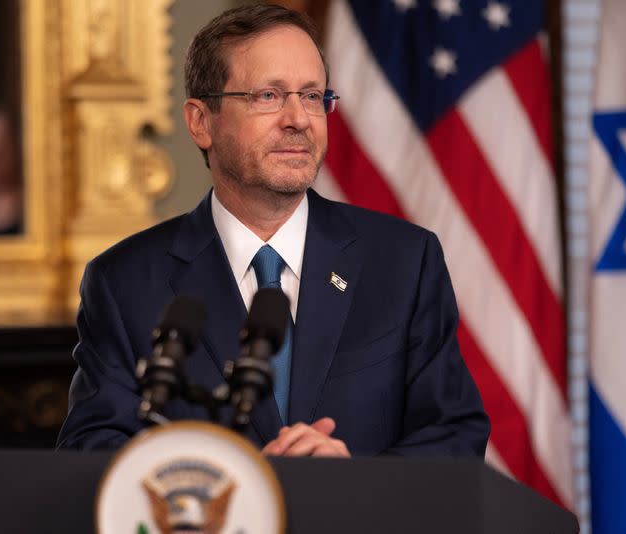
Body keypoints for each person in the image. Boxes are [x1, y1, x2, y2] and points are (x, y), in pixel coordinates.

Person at [57, 4, 489, 458]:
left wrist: (358, 486)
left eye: (311, 96)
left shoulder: (404, 263)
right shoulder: (124, 283)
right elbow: (92, 454)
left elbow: (454, 437)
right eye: (268, 95)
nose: (299, 119)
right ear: (201, 122)